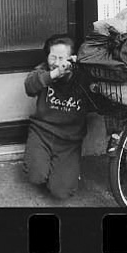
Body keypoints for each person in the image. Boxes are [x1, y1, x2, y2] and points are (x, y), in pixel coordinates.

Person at [23, 34, 89, 200]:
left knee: (61, 191)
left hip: (69, 140)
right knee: (36, 176)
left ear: (72, 58)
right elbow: (29, 87)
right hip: (41, 134)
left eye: (62, 58)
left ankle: (68, 170)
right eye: (53, 57)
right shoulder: (43, 70)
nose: (57, 62)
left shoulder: (83, 76)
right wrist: (54, 74)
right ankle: (45, 166)